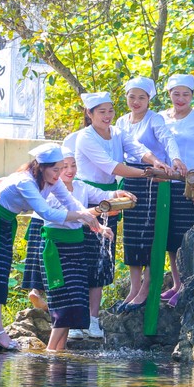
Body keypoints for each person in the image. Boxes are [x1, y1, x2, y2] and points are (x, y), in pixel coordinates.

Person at [0, 143, 104, 350]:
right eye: (56, 169)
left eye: (62, 168)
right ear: (41, 167)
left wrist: (94, 222)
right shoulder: (26, 181)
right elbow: (47, 213)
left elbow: (71, 203)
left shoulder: (51, 181)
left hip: (4, 220)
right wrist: (82, 216)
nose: (60, 174)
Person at [74, 91, 170, 338]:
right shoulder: (85, 138)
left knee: (101, 260)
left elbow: (137, 149)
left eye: (110, 110)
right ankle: (75, 319)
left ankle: (92, 319)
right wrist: (148, 173)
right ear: (90, 114)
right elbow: (111, 166)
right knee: (79, 261)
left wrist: (156, 162)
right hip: (86, 198)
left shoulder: (117, 132)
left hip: (112, 199)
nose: (107, 116)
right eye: (101, 111)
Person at [44, 144, 134, 349]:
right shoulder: (50, 191)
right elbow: (73, 213)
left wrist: (118, 194)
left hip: (76, 244)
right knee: (63, 294)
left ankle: (58, 350)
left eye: (73, 165)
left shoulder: (81, 186)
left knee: (76, 291)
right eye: (63, 166)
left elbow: (94, 199)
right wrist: (98, 220)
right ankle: (53, 350)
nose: (68, 170)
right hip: (57, 246)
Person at [115, 76, 183, 312]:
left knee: (149, 233)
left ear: (149, 99)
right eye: (132, 96)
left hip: (153, 179)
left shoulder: (155, 119)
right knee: (132, 235)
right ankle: (134, 288)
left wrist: (174, 159)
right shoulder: (121, 122)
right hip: (130, 178)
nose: (136, 101)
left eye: (141, 97)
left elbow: (167, 139)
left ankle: (147, 287)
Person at [161, 74, 194, 306]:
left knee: (187, 237)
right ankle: (176, 284)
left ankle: (189, 285)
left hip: (192, 185)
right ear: (169, 94)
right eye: (176, 93)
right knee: (170, 238)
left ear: (192, 96)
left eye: (186, 94)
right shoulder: (161, 118)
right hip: (165, 184)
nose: (180, 99)